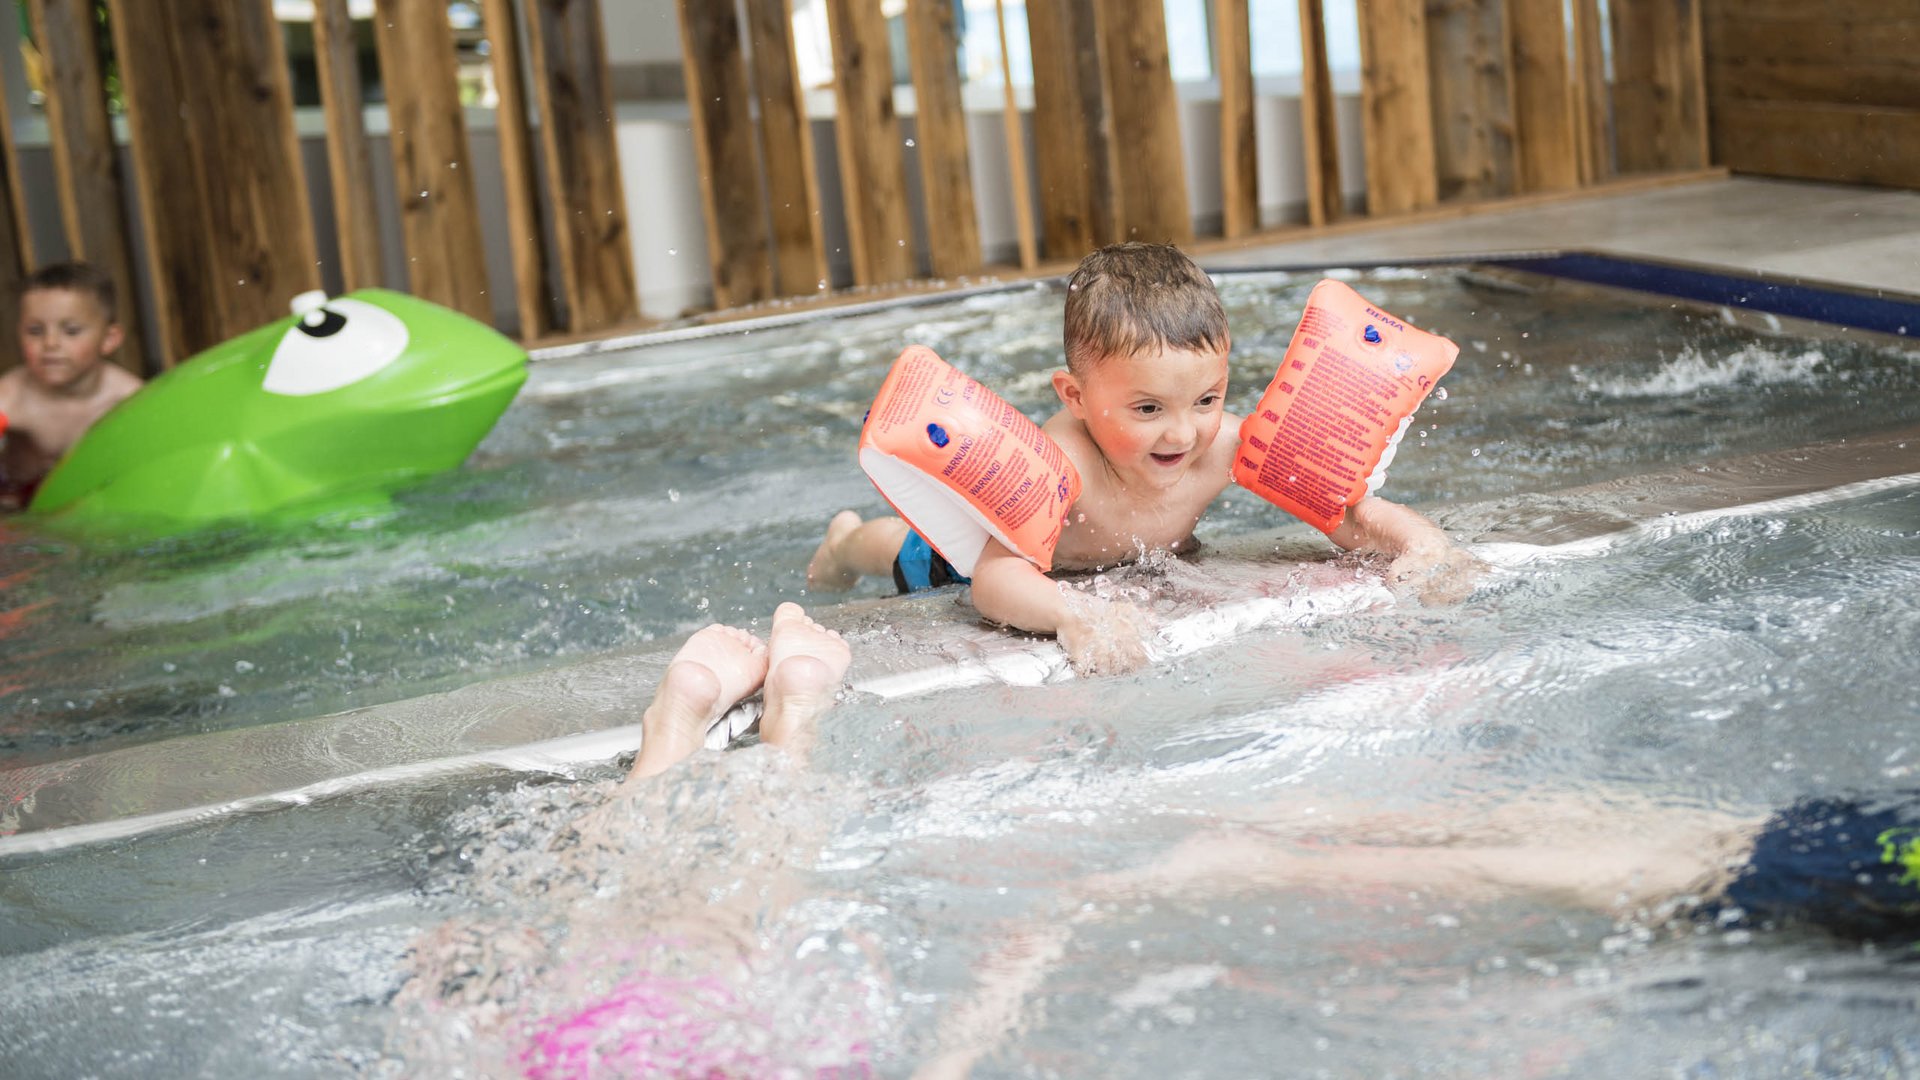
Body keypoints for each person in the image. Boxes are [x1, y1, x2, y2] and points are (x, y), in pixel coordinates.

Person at [808, 242, 1482, 674]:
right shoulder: (1062, 465)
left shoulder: (1223, 448)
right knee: (901, 547)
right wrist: (1074, 614)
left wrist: (1420, 543)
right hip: (975, 560)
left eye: (1206, 398)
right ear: (1075, 396)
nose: (1182, 435)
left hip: (1137, 558)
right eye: (1148, 410)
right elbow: (992, 582)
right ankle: (844, 544)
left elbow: (1347, 515)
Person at [0, 262, 142, 509]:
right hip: (21, 501)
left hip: (94, 499)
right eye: (35, 331)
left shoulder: (128, 399)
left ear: (109, 339)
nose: (50, 343)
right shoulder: (12, 397)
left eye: (71, 330)